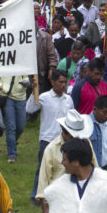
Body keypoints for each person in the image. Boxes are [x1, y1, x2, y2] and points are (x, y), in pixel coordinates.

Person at [27, 68, 74, 202]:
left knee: (63, 169)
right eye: (60, 82)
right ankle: (36, 196)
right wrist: (33, 92)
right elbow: (30, 109)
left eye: (65, 82)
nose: (63, 85)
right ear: (52, 82)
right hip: (47, 140)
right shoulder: (44, 97)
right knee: (42, 170)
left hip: (64, 140)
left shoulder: (68, 100)